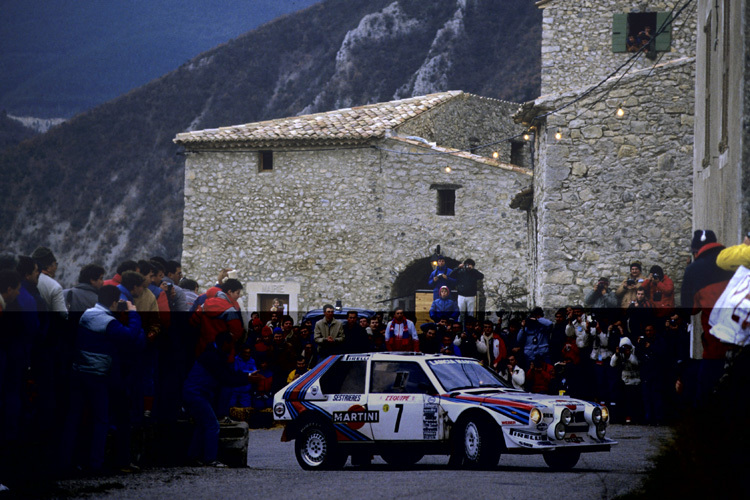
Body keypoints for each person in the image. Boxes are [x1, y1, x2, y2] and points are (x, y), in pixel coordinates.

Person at [60, 285, 146, 474]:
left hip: (79, 371)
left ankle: (67, 461)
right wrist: (133, 313)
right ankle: (95, 464)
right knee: (101, 419)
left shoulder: (88, 313)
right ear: (115, 302)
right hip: (97, 375)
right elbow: (130, 336)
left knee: (74, 418)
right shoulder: (106, 321)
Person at [182, 331, 256, 468]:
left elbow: (228, 374)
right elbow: (226, 378)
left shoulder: (215, 354)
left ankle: (193, 457)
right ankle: (209, 459)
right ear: (225, 343)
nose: (232, 347)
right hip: (196, 394)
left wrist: (247, 376)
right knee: (212, 425)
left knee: (201, 424)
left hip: (196, 393)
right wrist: (248, 378)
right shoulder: (213, 357)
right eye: (231, 344)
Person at [680, 229, 734, 404]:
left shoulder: (693, 270)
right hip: (743, 341)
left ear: (695, 252)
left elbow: (690, 309)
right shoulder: (734, 260)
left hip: (716, 347)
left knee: (705, 400)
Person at [31, 246, 67, 317]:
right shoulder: (55, 287)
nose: (56, 268)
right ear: (48, 267)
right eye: (55, 264)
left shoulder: (24, 280)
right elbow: (62, 315)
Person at [452, 259, 484, 324]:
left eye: (470, 265)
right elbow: (451, 275)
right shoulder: (461, 272)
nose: (468, 266)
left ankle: (470, 326)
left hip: (471, 296)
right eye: (467, 264)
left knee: (470, 313)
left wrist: (473, 270)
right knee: (461, 313)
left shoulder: (474, 273)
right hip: (461, 295)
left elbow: (481, 276)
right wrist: (458, 267)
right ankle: (460, 326)